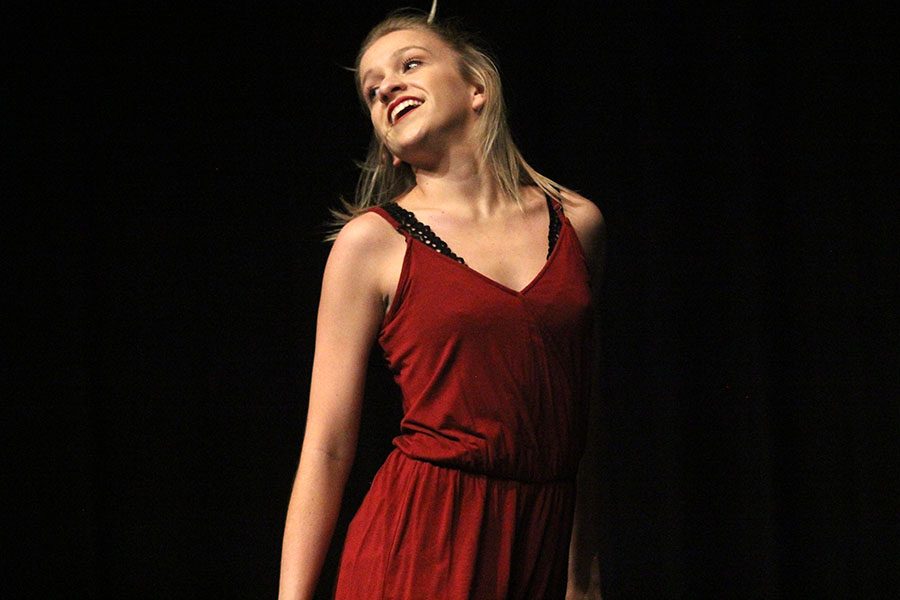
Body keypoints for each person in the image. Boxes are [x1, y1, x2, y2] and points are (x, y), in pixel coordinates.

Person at [279, 7, 605, 600]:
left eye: (410, 64)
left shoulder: (578, 225)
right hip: (421, 545)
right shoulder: (373, 242)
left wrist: (582, 575)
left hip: (538, 541)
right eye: (373, 90)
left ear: (477, 87)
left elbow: (580, 419)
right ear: (389, 145)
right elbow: (326, 449)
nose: (388, 88)